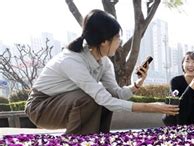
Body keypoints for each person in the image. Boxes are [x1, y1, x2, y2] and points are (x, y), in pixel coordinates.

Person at [25, 9, 178, 135]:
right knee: (92, 97)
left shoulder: (104, 61)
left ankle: (100, 139)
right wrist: (151, 107)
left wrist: (137, 84)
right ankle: (74, 144)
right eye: (117, 37)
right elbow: (104, 100)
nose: (120, 42)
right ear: (104, 41)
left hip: (64, 102)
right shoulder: (72, 61)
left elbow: (116, 94)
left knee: (101, 96)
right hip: (40, 107)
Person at [163, 51, 194, 126]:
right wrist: (190, 88)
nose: (190, 65)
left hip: (192, 124)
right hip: (174, 124)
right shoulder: (175, 81)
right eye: (187, 61)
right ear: (182, 64)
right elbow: (177, 105)